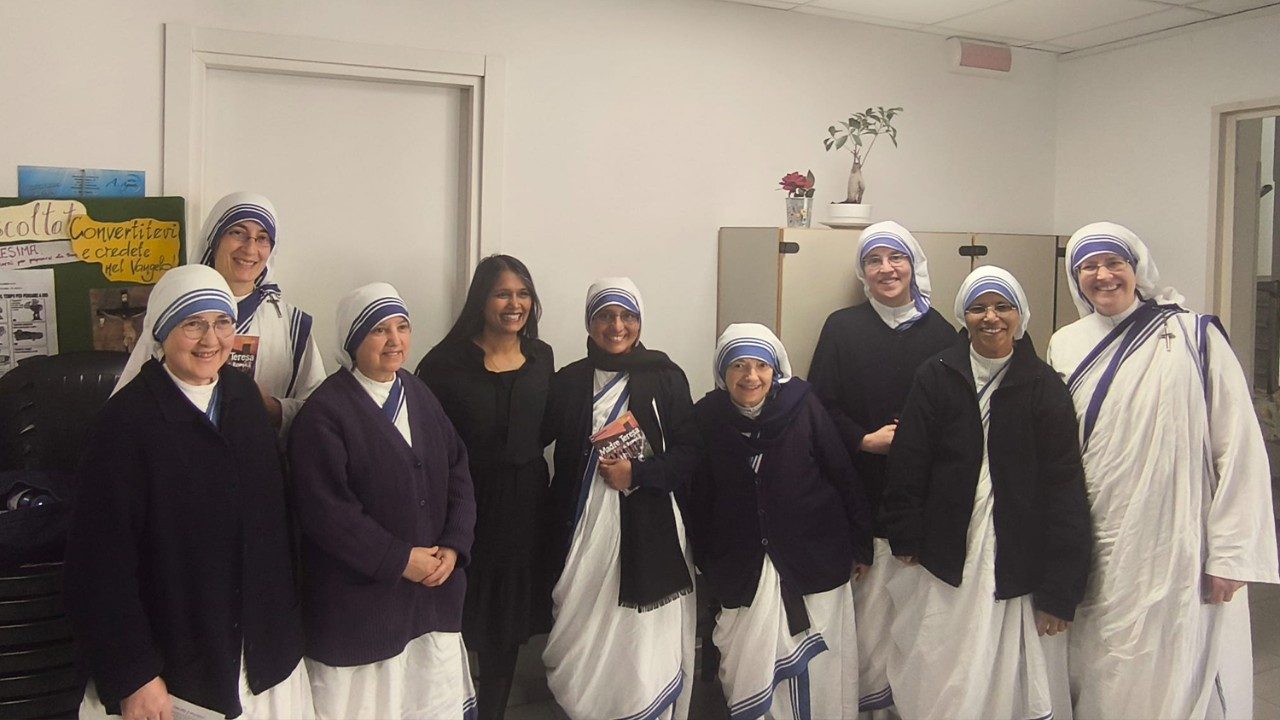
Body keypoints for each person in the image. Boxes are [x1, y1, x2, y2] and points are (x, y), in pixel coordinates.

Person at [1046, 222, 1280, 719]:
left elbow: (1238, 446)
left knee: (1174, 660)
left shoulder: (1195, 335)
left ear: (1138, 269)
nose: (1103, 275)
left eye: (1114, 263)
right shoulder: (1064, 344)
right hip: (1099, 539)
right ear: (1075, 277)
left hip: (1176, 543)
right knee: (1101, 663)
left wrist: (1231, 554)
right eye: (1089, 266)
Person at [65, 264, 313, 720]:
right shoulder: (124, 424)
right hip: (172, 668)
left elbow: (275, 528)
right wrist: (134, 675)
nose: (210, 340)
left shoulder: (244, 399)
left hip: (264, 657)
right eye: (192, 324)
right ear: (161, 333)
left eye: (222, 322)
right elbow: (99, 565)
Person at [882, 266, 1091, 720]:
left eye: (1002, 307)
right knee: (942, 667)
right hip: (946, 553)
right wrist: (906, 534)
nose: (990, 317)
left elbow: (1064, 487)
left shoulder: (1044, 386)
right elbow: (909, 461)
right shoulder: (936, 375)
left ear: (1020, 315)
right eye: (978, 308)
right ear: (964, 316)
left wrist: (1060, 590)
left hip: (1018, 556)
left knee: (1010, 680)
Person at [288, 283, 477, 719]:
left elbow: (458, 470)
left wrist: (453, 545)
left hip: (429, 603)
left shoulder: (419, 394)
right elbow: (327, 513)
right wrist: (399, 559)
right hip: (362, 613)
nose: (394, 340)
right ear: (353, 341)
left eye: (402, 327)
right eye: (378, 330)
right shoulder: (325, 414)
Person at [808, 220, 956, 717]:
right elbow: (819, 405)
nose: (886, 269)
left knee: (917, 620)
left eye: (896, 258)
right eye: (874, 260)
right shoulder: (842, 328)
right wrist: (863, 439)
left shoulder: (943, 334)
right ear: (863, 271)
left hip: (922, 502)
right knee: (865, 621)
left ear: (914, 265)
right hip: (859, 491)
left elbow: (959, 416)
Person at [690, 323, 873, 719]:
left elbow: (842, 473)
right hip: (741, 569)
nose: (751, 376)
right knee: (748, 670)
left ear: (776, 370)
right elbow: (698, 497)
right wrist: (707, 561)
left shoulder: (803, 406)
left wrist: (861, 545)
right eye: (738, 365)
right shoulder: (705, 417)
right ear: (722, 372)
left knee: (820, 674)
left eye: (761, 365)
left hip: (814, 560)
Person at [541, 277, 698, 720]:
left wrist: (639, 473)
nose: (617, 326)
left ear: (640, 321)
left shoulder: (666, 376)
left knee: (641, 643)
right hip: (581, 528)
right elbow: (537, 441)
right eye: (605, 316)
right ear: (589, 322)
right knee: (580, 631)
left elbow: (691, 454)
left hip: (651, 526)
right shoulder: (568, 380)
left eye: (627, 316)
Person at [415, 255, 554, 720]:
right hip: (463, 507)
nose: (514, 304)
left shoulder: (542, 357)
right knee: (456, 617)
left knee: (507, 626)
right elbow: (426, 443)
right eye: (502, 294)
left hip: (526, 509)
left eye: (523, 293)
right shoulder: (442, 364)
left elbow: (545, 427)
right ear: (481, 300)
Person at [116, 192, 326, 432]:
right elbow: (127, 407)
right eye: (237, 233)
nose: (250, 249)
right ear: (215, 238)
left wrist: (273, 409)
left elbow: (319, 412)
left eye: (262, 238)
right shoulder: (174, 308)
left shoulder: (292, 325)